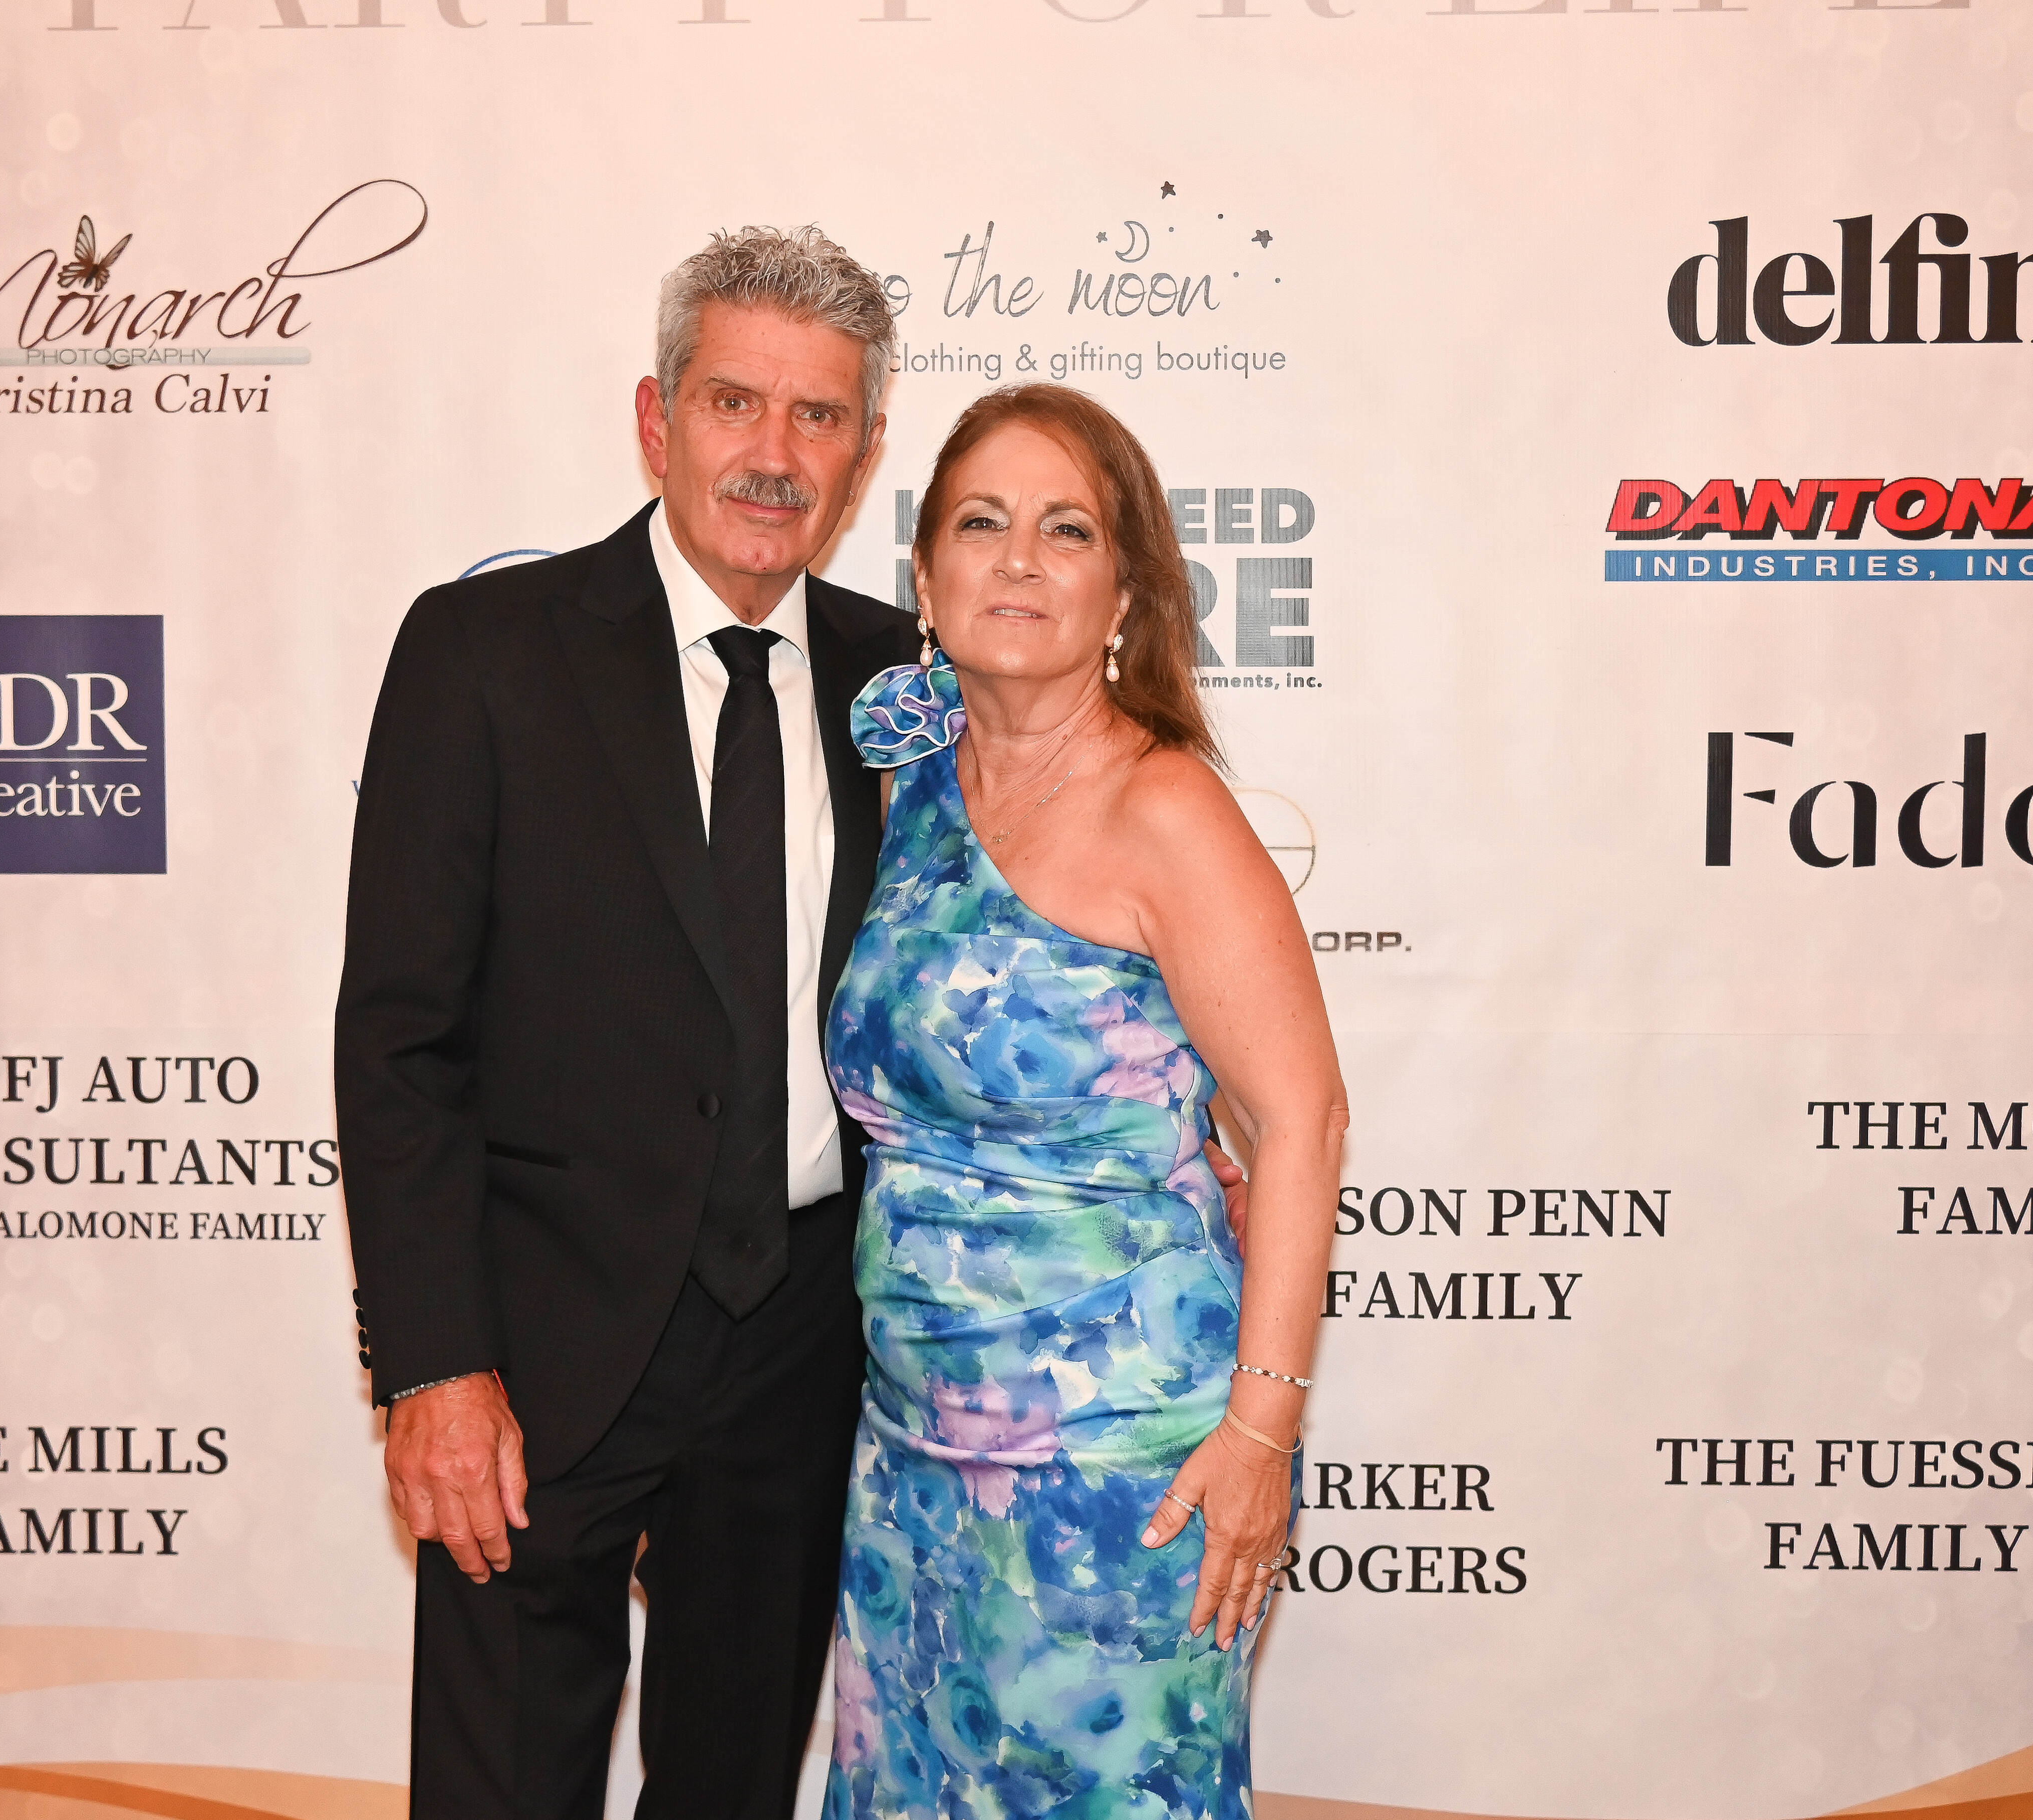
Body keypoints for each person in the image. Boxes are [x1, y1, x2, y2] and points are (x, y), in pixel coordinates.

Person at [334, 225, 917, 1819]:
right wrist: (435, 1363)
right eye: (736, 402)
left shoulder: (902, 684)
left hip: (802, 1339)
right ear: (657, 420)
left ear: (862, 453)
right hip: (537, 1344)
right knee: (505, 1785)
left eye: (818, 415)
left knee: (732, 1784)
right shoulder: (484, 653)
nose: (773, 452)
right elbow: (398, 1042)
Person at [821, 385, 1351, 1818]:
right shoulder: (903, 787)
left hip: (1119, 1477)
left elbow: (1299, 1123)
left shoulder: (1165, 811)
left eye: (1068, 530)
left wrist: (1260, 1438)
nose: (1018, 559)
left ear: (1124, 593)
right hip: (906, 1457)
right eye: (979, 523)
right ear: (924, 575)